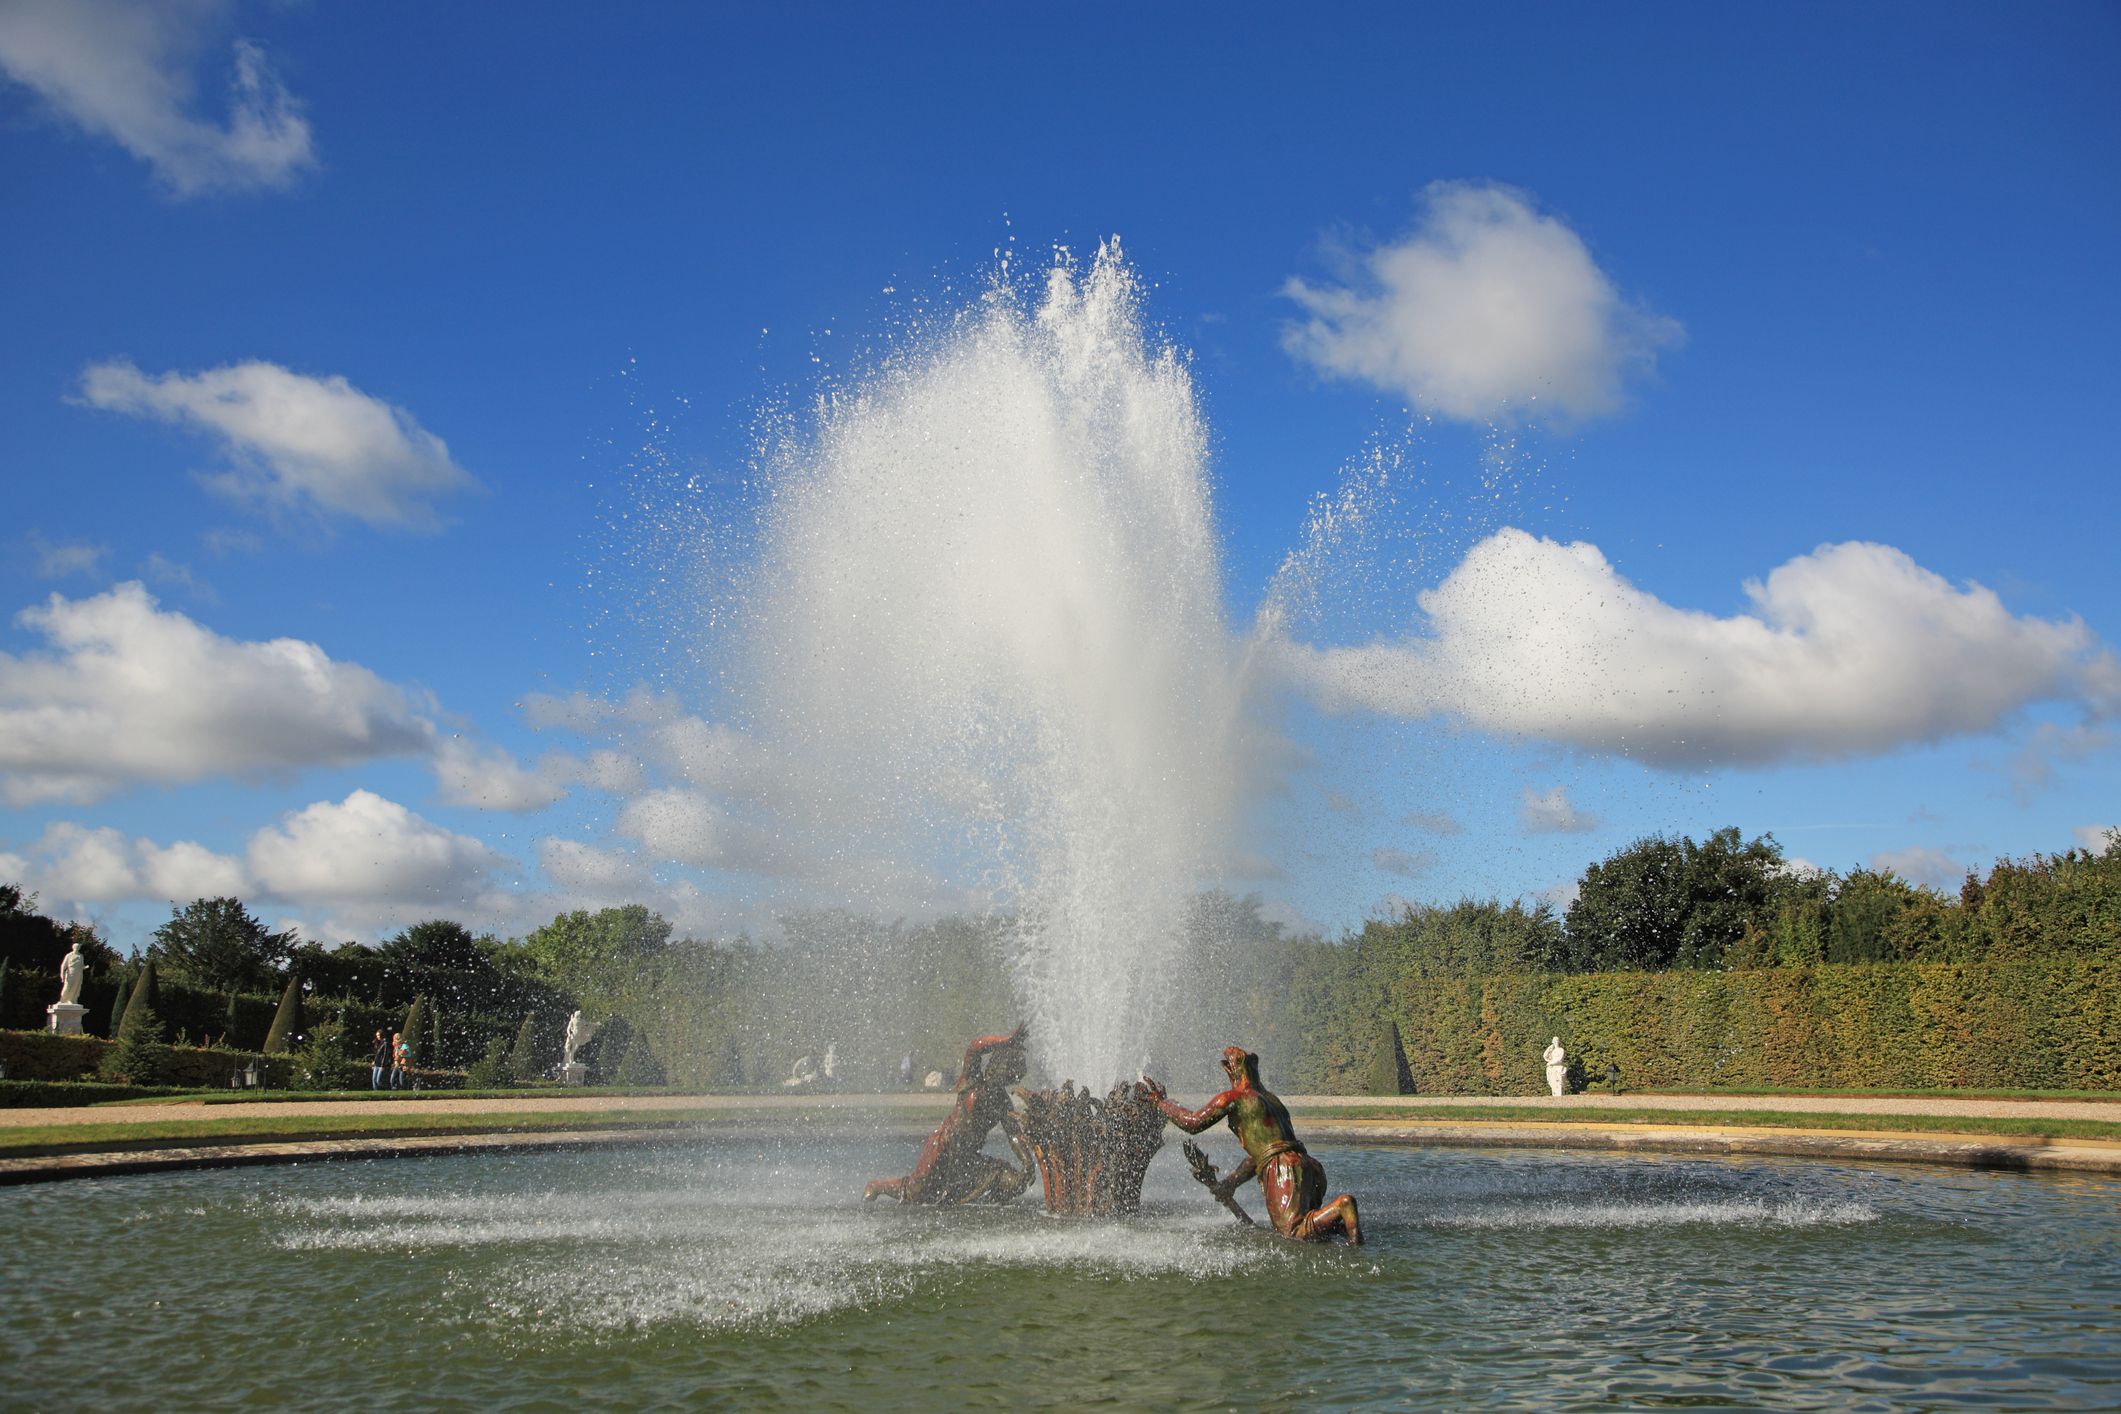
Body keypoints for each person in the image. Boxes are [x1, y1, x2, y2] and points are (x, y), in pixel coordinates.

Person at [1142, 1046, 1361, 1244]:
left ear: (1230, 1071)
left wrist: (1161, 1102)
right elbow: (1263, 1153)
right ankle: (1351, 1238)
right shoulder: (1270, 1099)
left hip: (1284, 1170)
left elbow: (1191, 1123)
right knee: (1314, 1234)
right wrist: (1231, 1183)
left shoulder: (1235, 1098)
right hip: (1309, 1167)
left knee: (1293, 1232)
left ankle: (1343, 1205)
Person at [864, 1024, 1035, 1205]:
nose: (1012, 1077)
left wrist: (1027, 1163)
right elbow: (974, 1047)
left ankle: (983, 1207)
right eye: (1010, 1071)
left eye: (1013, 1075)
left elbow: (1014, 1135)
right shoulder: (972, 1081)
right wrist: (1006, 1041)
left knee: (1013, 1182)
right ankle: (877, 1185)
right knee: (916, 1192)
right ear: (996, 1068)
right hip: (944, 1146)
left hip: (968, 1157)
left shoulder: (1002, 1102)